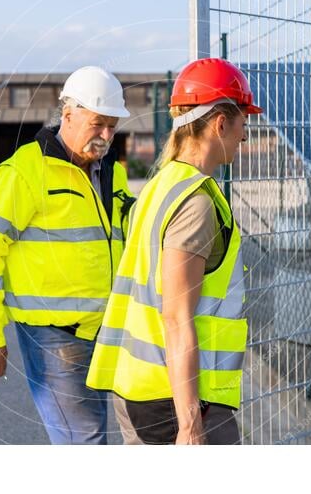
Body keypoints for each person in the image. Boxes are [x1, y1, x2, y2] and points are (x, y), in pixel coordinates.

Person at [86, 58, 263, 444]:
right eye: (243, 122)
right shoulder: (195, 202)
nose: (245, 136)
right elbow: (176, 317)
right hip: (172, 397)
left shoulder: (161, 183)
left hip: (140, 384)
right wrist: (190, 424)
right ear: (219, 123)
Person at [0, 66, 135, 444]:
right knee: (85, 442)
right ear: (68, 114)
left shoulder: (112, 174)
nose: (106, 136)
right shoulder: (25, 171)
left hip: (111, 329)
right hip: (55, 339)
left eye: (112, 126)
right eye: (98, 124)